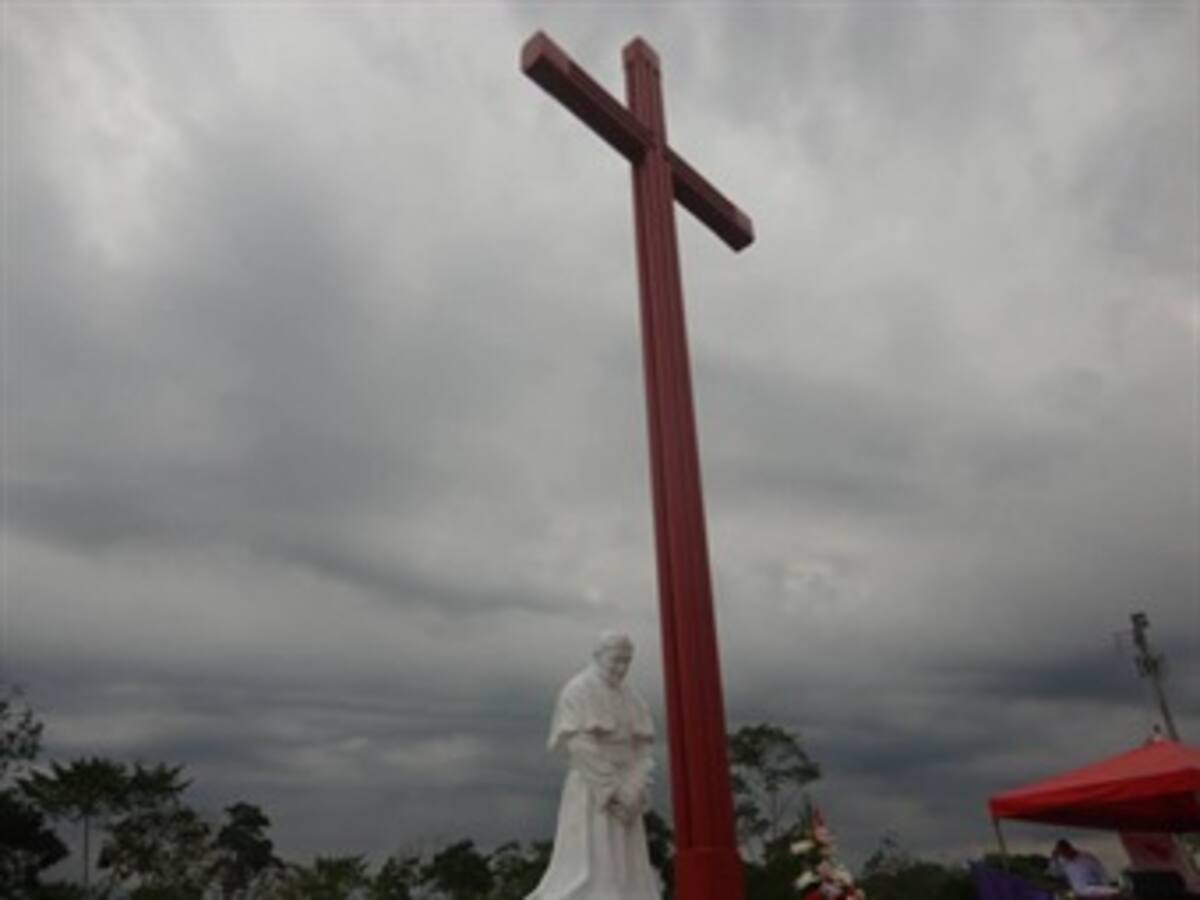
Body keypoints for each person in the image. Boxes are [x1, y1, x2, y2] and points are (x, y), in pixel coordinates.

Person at [526, 631, 660, 900]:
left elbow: (642, 749)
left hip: (629, 789)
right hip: (593, 786)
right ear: (598, 656)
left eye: (627, 661)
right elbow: (578, 745)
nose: (621, 668)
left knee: (628, 863)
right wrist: (613, 789)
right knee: (590, 857)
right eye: (616, 660)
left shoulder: (633, 698)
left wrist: (635, 785)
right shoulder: (577, 691)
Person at [1048, 839, 1122, 898]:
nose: (1064, 856)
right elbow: (1055, 874)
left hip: (1094, 886)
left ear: (1069, 848)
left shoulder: (1086, 857)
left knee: (1116, 893)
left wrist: (1105, 885)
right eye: (1061, 854)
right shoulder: (1062, 862)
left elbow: (1101, 871)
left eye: (1064, 852)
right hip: (1078, 890)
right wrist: (1054, 859)